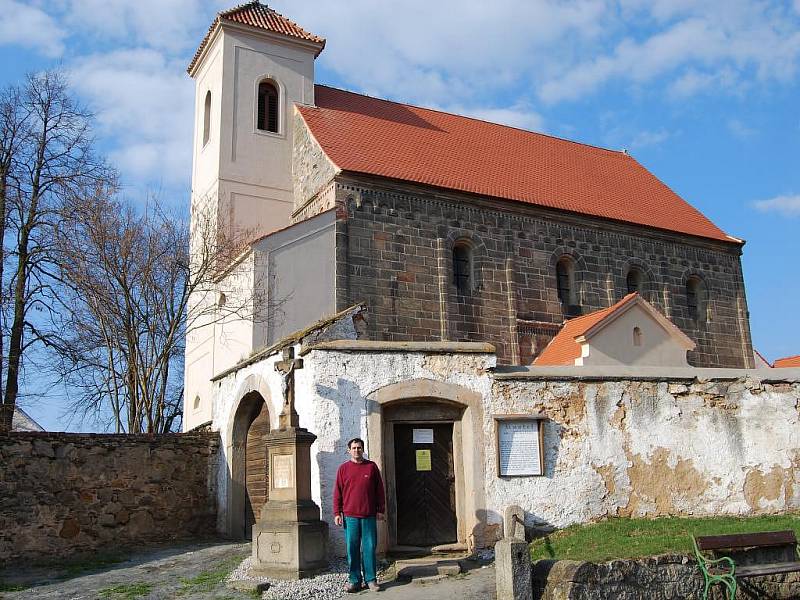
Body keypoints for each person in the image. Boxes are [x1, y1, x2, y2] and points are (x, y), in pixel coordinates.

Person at [333, 437, 386, 593]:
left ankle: (371, 580)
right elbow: (337, 492)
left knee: (369, 548)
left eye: (359, 447)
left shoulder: (371, 467)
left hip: (369, 515)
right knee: (352, 549)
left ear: (363, 449)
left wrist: (380, 510)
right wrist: (337, 512)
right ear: (349, 450)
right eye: (354, 448)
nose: (357, 450)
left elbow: (379, 490)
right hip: (350, 516)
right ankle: (354, 580)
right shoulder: (343, 469)